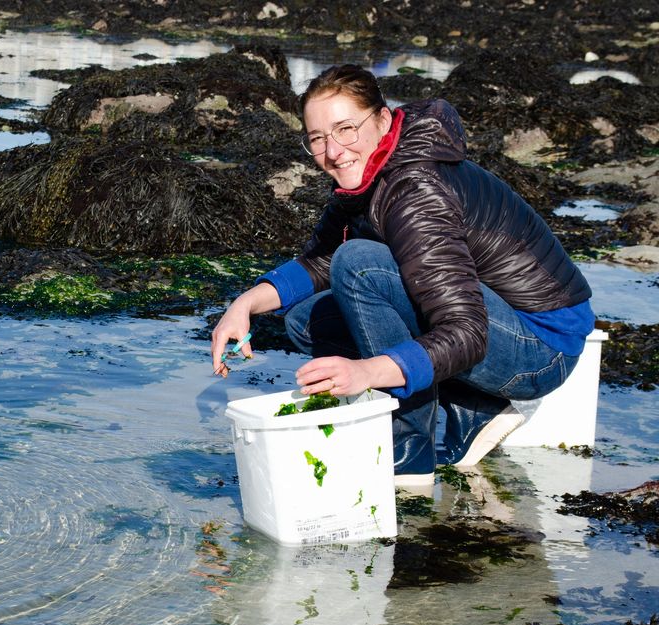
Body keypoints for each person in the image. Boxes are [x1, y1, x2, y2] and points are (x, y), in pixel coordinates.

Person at [210, 64, 593, 486]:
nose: (333, 151)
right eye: (317, 138)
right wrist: (244, 304)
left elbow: (466, 332)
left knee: (360, 265)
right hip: (499, 325)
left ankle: (409, 452)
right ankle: (471, 411)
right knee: (308, 320)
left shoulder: (415, 191)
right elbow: (320, 260)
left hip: (541, 346)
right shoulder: (368, 176)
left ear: (383, 119)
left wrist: (368, 373)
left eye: (346, 129)